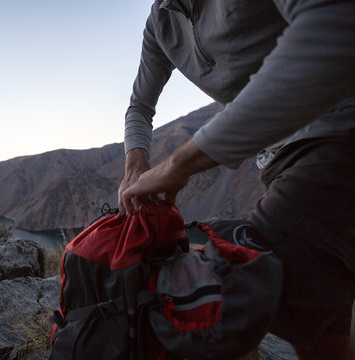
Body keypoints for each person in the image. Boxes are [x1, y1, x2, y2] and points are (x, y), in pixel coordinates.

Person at [118, 0, 355, 359]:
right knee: (322, 327)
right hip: (279, 162)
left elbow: (334, 22)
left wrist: (180, 163)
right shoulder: (160, 22)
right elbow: (140, 107)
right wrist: (135, 160)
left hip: (338, 129)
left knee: (214, 296)